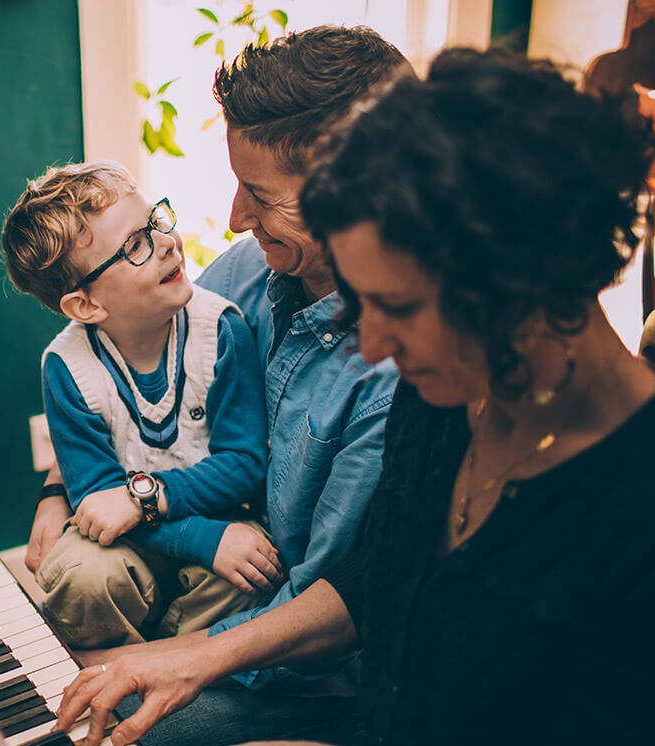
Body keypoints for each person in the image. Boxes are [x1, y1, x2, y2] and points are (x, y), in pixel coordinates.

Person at [53, 49, 655, 746]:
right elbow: (374, 580)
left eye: (396, 308)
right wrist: (194, 658)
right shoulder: (455, 391)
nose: (373, 345)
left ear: (516, 282)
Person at [29, 26, 404, 689]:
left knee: (87, 733)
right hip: (184, 575)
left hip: (283, 665)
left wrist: (143, 666)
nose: (233, 219)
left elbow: (336, 607)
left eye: (259, 196)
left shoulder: (397, 369)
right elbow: (124, 364)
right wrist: (60, 492)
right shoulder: (248, 270)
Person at [0, 161, 278, 648]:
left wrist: (160, 509)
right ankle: (117, 653)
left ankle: (163, 659)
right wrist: (180, 534)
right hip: (129, 539)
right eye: (134, 245)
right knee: (80, 576)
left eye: (156, 221)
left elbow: (245, 464)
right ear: (86, 305)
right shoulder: (66, 369)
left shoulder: (221, 330)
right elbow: (97, 502)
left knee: (250, 568)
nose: (166, 242)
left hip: (217, 513)